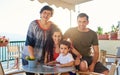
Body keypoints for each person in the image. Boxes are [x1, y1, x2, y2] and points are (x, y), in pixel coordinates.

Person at [22, 5, 58, 75]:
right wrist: (33, 60)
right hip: (29, 55)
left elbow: (59, 33)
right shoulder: (33, 24)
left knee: (43, 73)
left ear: (51, 16)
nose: (46, 15)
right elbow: (29, 43)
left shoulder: (52, 26)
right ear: (40, 14)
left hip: (43, 57)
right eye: (44, 12)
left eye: (49, 13)